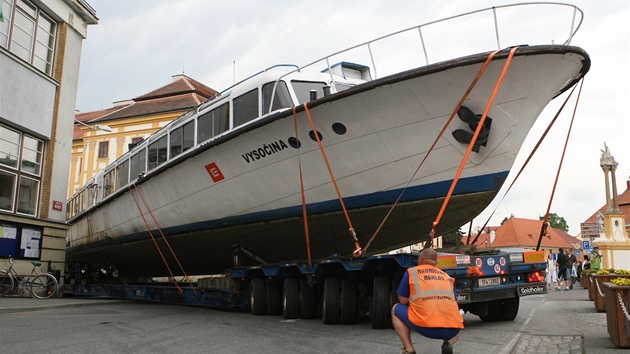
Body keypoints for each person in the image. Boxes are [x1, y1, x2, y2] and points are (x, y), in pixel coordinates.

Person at [392, 248, 464, 354]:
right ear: (436, 262)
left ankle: (409, 349)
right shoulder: (447, 277)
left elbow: (403, 301)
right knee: (454, 315)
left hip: (427, 328)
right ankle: (448, 343)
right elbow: (452, 302)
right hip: (453, 330)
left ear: (421, 259)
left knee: (395, 309)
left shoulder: (411, 273)